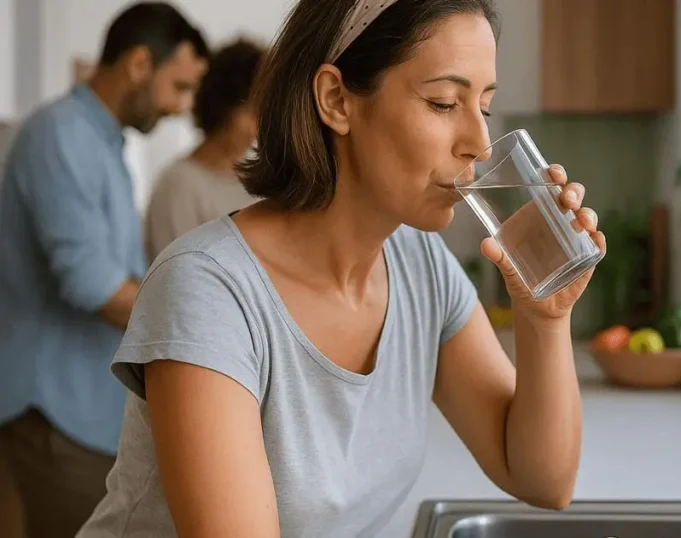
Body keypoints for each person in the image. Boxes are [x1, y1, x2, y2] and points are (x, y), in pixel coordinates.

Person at [76, 0, 605, 536]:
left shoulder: (420, 266)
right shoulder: (207, 290)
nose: (479, 145)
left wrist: (544, 319)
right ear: (337, 100)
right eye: (444, 103)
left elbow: (543, 480)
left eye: (484, 107)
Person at [0, 3, 209, 537]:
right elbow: (92, 284)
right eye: (179, 87)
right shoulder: (60, 135)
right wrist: (204, 333)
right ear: (139, 64)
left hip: (85, 411)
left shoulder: (103, 143)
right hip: (54, 413)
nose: (181, 108)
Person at [145, 38, 265, 261]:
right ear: (223, 107)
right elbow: (177, 279)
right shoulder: (180, 185)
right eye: (251, 112)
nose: (257, 129)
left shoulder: (256, 183)